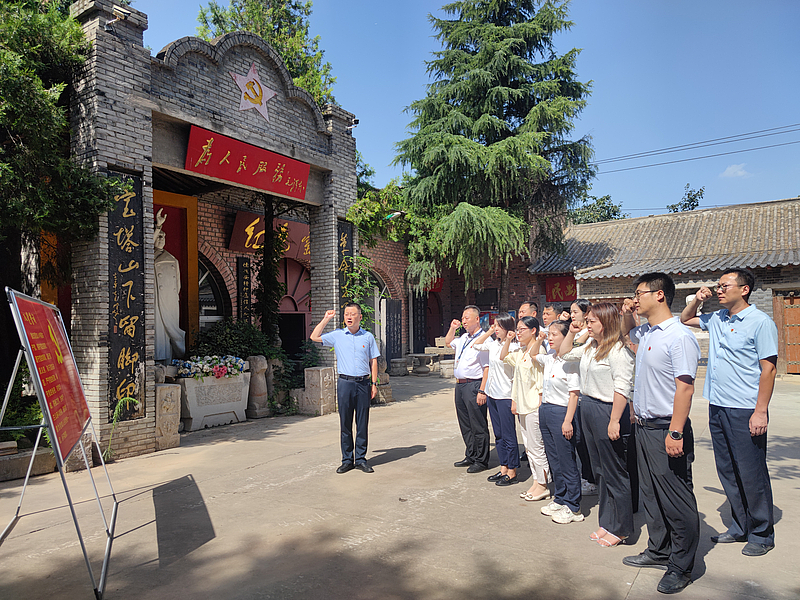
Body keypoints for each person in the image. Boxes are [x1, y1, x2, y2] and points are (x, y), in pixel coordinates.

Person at [681, 268, 778, 557]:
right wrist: (697, 300)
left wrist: (761, 411)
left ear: (744, 289)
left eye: (725, 286)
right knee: (728, 470)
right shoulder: (717, 318)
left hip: (745, 408)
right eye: (718, 286)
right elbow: (685, 319)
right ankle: (740, 525)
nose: (719, 290)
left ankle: (762, 533)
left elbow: (769, 369)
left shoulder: (760, 322)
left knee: (751, 471)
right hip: (718, 405)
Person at [622, 273, 700, 595]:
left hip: (667, 428)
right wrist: (627, 312)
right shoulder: (647, 332)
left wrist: (676, 432)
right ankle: (659, 549)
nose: (635, 299)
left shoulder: (679, 336)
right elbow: (627, 333)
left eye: (639, 293)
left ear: (659, 295)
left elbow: (685, 388)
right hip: (643, 427)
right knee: (651, 495)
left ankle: (681, 566)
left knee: (676, 498)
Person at [560, 303, 635, 548]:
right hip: (589, 407)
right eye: (587, 320)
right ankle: (607, 522)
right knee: (600, 471)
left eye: (592, 321)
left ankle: (621, 528)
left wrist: (614, 420)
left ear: (606, 322)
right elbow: (564, 353)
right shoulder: (591, 347)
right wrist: (572, 333)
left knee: (615, 472)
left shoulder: (618, 351)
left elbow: (622, 388)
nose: (587, 325)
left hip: (608, 411)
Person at [310, 303, 380, 474]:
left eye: (352, 314)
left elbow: (374, 361)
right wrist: (326, 319)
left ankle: (361, 459)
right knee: (345, 423)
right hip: (345, 383)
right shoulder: (337, 335)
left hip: (363, 384)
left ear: (360, 317)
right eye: (346, 314)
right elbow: (314, 336)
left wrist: (374, 384)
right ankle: (347, 460)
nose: (349, 317)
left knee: (362, 423)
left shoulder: (368, 337)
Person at [532, 320, 583, 524]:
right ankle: (560, 498)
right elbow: (532, 354)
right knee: (553, 458)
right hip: (546, 409)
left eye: (555, 334)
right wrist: (540, 339)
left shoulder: (570, 362)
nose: (550, 338)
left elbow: (574, 394)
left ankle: (573, 505)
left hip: (562, 412)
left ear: (566, 336)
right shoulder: (550, 358)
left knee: (566, 459)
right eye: (549, 334)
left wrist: (568, 421)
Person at [500, 316, 549, 501]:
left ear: (533, 330)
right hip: (523, 406)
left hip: (534, 406)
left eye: (522, 329)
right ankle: (536, 482)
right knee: (529, 448)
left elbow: (541, 382)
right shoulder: (521, 351)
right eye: (517, 329)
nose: (518, 333)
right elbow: (503, 357)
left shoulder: (538, 351)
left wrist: (540, 405)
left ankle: (543, 485)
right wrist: (508, 340)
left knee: (537, 448)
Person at [473, 314, 520, 486]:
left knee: (508, 434)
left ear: (508, 328)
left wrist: (508, 340)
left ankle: (512, 470)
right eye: (495, 326)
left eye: (499, 326)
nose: (496, 329)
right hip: (492, 394)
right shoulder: (492, 344)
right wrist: (489, 332)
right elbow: (476, 345)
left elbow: (503, 357)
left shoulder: (515, 347)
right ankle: (503, 467)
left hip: (505, 395)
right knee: (498, 434)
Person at [446, 306, 490, 473]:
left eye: (467, 318)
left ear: (477, 319)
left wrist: (482, 390)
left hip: (474, 384)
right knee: (465, 423)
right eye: (463, 318)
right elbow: (448, 342)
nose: (464, 321)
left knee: (477, 423)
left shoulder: (485, 340)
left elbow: (487, 368)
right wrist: (452, 328)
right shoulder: (463, 337)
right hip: (460, 384)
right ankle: (471, 454)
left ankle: (481, 460)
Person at [569, 298, 597, 496]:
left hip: (586, 391)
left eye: (575, 312)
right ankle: (587, 476)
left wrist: (584, 329)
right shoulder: (576, 332)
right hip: (575, 393)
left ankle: (592, 479)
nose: (572, 315)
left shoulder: (590, 334)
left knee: (587, 442)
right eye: (571, 312)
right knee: (580, 441)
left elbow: (575, 346)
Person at [154, 209, 186, 361]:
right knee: (157, 331)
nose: (161, 239)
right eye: (159, 236)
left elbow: (177, 285)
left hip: (168, 301)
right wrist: (158, 227)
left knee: (167, 332)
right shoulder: (146, 256)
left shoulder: (173, 260)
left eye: (163, 237)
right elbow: (144, 247)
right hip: (154, 299)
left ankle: (168, 360)